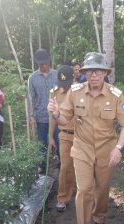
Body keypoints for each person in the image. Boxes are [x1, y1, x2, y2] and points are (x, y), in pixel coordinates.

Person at [48, 52, 124, 224]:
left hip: (106, 150)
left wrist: (118, 148)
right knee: (84, 190)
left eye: (98, 71)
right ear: (84, 73)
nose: (93, 75)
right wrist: (57, 113)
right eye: (89, 71)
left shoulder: (115, 94)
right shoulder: (75, 92)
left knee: (102, 189)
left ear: (104, 72)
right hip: (82, 149)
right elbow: (66, 119)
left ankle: (99, 219)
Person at [50, 65, 76, 212]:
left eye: (67, 85)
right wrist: (51, 137)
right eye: (62, 84)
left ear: (73, 79)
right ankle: (63, 197)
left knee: (82, 166)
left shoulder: (81, 92)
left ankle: (81, 194)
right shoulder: (54, 94)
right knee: (65, 167)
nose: (64, 88)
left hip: (80, 135)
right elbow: (54, 117)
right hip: (64, 135)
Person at [28, 48, 58, 173]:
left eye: (45, 63)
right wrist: (31, 115)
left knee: (59, 140)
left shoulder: (57, 74)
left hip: (57, 116)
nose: (43, 66)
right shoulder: (33, 78)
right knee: (42, 143)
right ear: (37, 63)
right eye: (41, 64)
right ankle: (43, 166)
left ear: (49, 61)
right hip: (41, 116)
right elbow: (31, 98)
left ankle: (60, 163)